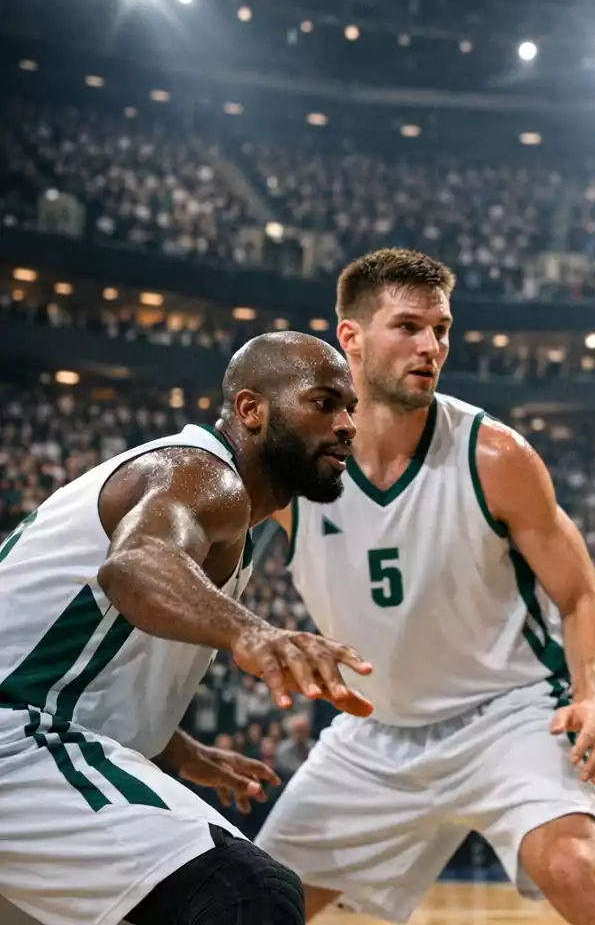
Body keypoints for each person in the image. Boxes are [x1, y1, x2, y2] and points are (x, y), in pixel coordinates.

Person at [255, 250, 595, 925]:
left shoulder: (496, 455)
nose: (431, 346)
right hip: (374, 733)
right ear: (350, 337)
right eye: (408, 326)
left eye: (442, 329)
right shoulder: (295, 462)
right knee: (252, 905)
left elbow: (584, 595)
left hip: (506, 716)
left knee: (574, 867)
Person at [0, 332, 374, 925]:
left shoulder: (221, 506)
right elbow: (135, 564)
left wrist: (177, 748)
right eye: (324, 402)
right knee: (245, 894)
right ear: (252, 410)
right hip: (15, 743)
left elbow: (68, 647)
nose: (348, 424)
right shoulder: (200, 474)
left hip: (32, 739)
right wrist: (255, 632)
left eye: (350, 407)